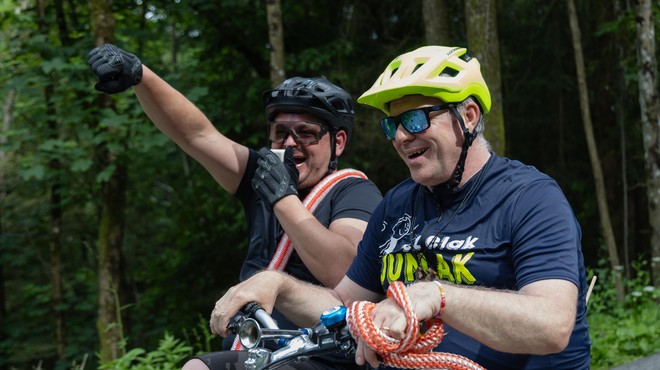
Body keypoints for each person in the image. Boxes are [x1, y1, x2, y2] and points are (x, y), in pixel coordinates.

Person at [208, 45, 591, 370]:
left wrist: (436, 296)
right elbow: (344, 304)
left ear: (468, 116)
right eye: (392, 125)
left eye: (415, 118)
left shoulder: (531, 198)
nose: (402, 136)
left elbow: (551, 325)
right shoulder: (398, 204)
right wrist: (279, 285)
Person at [87, 44, 382, 370]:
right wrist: (140, 76)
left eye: (306, 134)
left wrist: (284, 201)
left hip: (322, 357)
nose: (289, 143)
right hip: (256, 351)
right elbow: (197, 135)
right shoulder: (262, 176)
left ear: (337, 141)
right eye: (280, 132)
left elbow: (346, 272)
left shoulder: (354, 191)